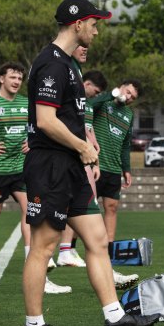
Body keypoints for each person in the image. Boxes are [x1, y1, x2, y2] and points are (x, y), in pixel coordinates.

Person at [21, 0, 159, 326]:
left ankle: (116, 319)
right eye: (94, 24)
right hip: (51, 165)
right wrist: (84, 147)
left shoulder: (70, 65)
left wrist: (87, 150)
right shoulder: (51, 63)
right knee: (44, 246)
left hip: (71, 165)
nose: (97, 31)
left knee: (97, 240)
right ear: (78, 23)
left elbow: (71, 119)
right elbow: (46, 121)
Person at [0, 62, 71, 294]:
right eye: (12, 77)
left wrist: (32, 141)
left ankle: (33, 260)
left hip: (22, 168)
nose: (16, 81)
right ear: (1, 78)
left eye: (19, 78)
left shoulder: (26, 103)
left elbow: (42, 123)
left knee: (29, 209)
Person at [91, 79, 140, 289]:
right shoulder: (104, 102)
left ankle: (108, 260)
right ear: (121, 86)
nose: (128, 98)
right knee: (80, 210)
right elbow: (87, 106)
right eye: (127, 92)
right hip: (93, 166)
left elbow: (126, 144)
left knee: (112, 208)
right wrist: (111, 94)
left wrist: (126, 169)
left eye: (132, 97)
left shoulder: (129, 115)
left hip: (112, 170)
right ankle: (67, 250)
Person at [56, 67, 107, 268]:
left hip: (86, 159)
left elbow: (88, 130)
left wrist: (96, 162)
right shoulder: (70, 98)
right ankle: (65, 250)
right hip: (71, 158)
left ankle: (67, 249)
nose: (97, 95)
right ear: (86, 84)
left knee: (86, 203)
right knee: (79, 205)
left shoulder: (87, 105)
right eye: (96, 91)